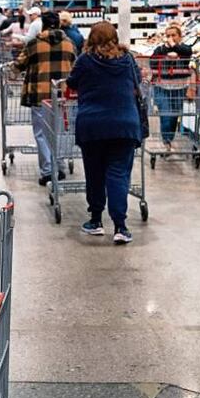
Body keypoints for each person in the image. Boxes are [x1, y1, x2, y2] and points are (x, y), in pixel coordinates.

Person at [66, 22, 143, 245]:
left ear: (91, 37)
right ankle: (120, 226)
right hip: (124, 125)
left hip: (93, 125)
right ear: (115, 37)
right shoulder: (127, 59)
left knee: (95, 173)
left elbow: (72, 83)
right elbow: (138, 85)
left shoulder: (85, 60)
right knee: (118, 175)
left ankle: (96, 221)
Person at [15, 10, 77, 186]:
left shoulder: (34, 44)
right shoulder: (69, 44)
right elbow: (76, 65)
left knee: (42, 133)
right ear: (58, 24)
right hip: (62, 95)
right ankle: (59, 165)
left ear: (42, 25)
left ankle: (48, 171)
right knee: (58, 131)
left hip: (40, 95)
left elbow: (19, 64)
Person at [150, 24, 194, 145]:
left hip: (179, 88)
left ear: (180, 36)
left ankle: (169, 139)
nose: (170, 37)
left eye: (173, 35)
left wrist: (175, 47)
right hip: (161, 87)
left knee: (175, 114)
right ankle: (166, 141)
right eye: (168, 35)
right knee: (166, 113)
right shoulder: (160, 49)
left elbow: (187, 52)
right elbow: (152, 62)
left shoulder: (184, 48)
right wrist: (166, 50)